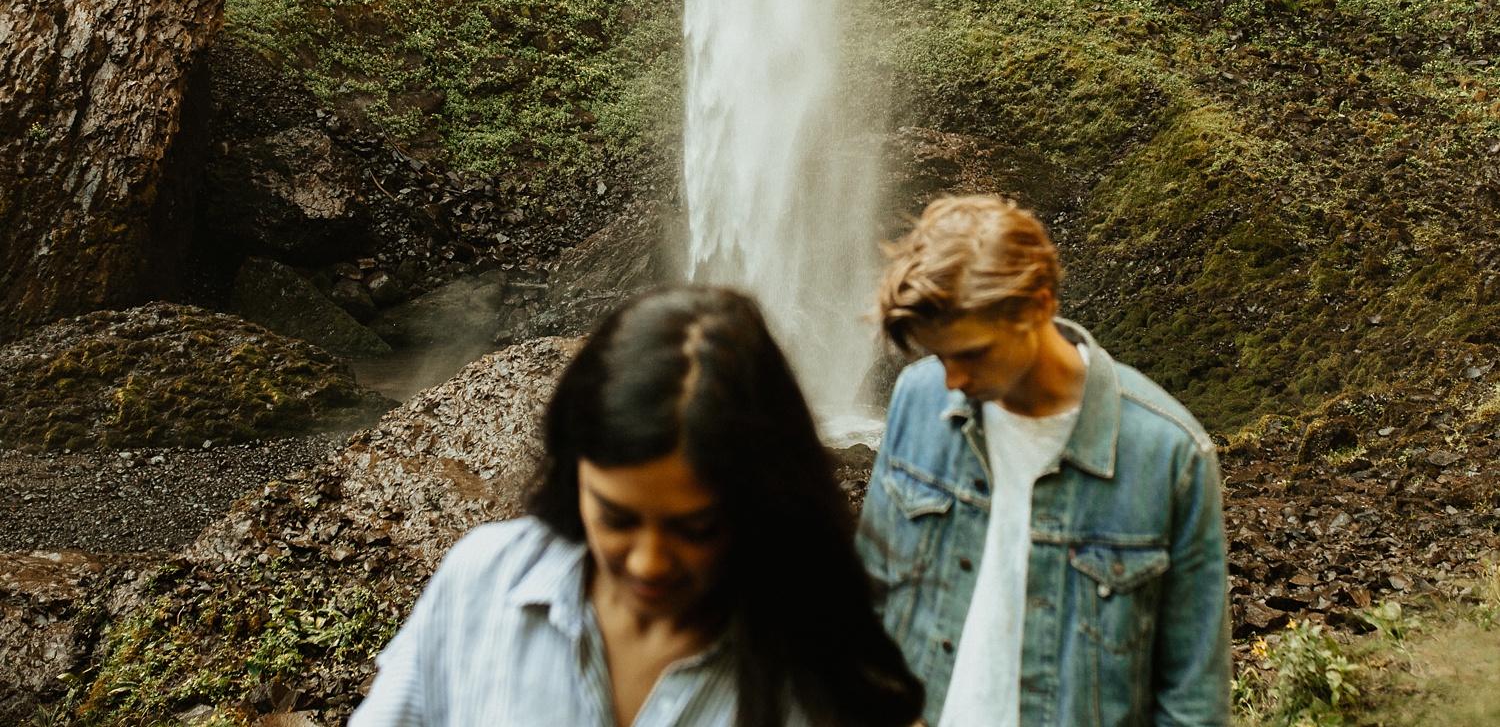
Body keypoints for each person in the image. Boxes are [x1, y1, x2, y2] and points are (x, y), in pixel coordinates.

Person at [351, 286, 924, 727]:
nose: (649, 563)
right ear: (573, 472)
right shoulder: (485, 580)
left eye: (695, 527)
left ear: (762, 501)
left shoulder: (823, 673)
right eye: (617, 517)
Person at [856, 195, 1230, 727]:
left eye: (972, 353)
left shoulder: (1170, 456)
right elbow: (864, 603)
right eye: (938, 357)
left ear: (1039, 304)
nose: (952, 381)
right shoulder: (918, 399)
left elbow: (1193, 702)